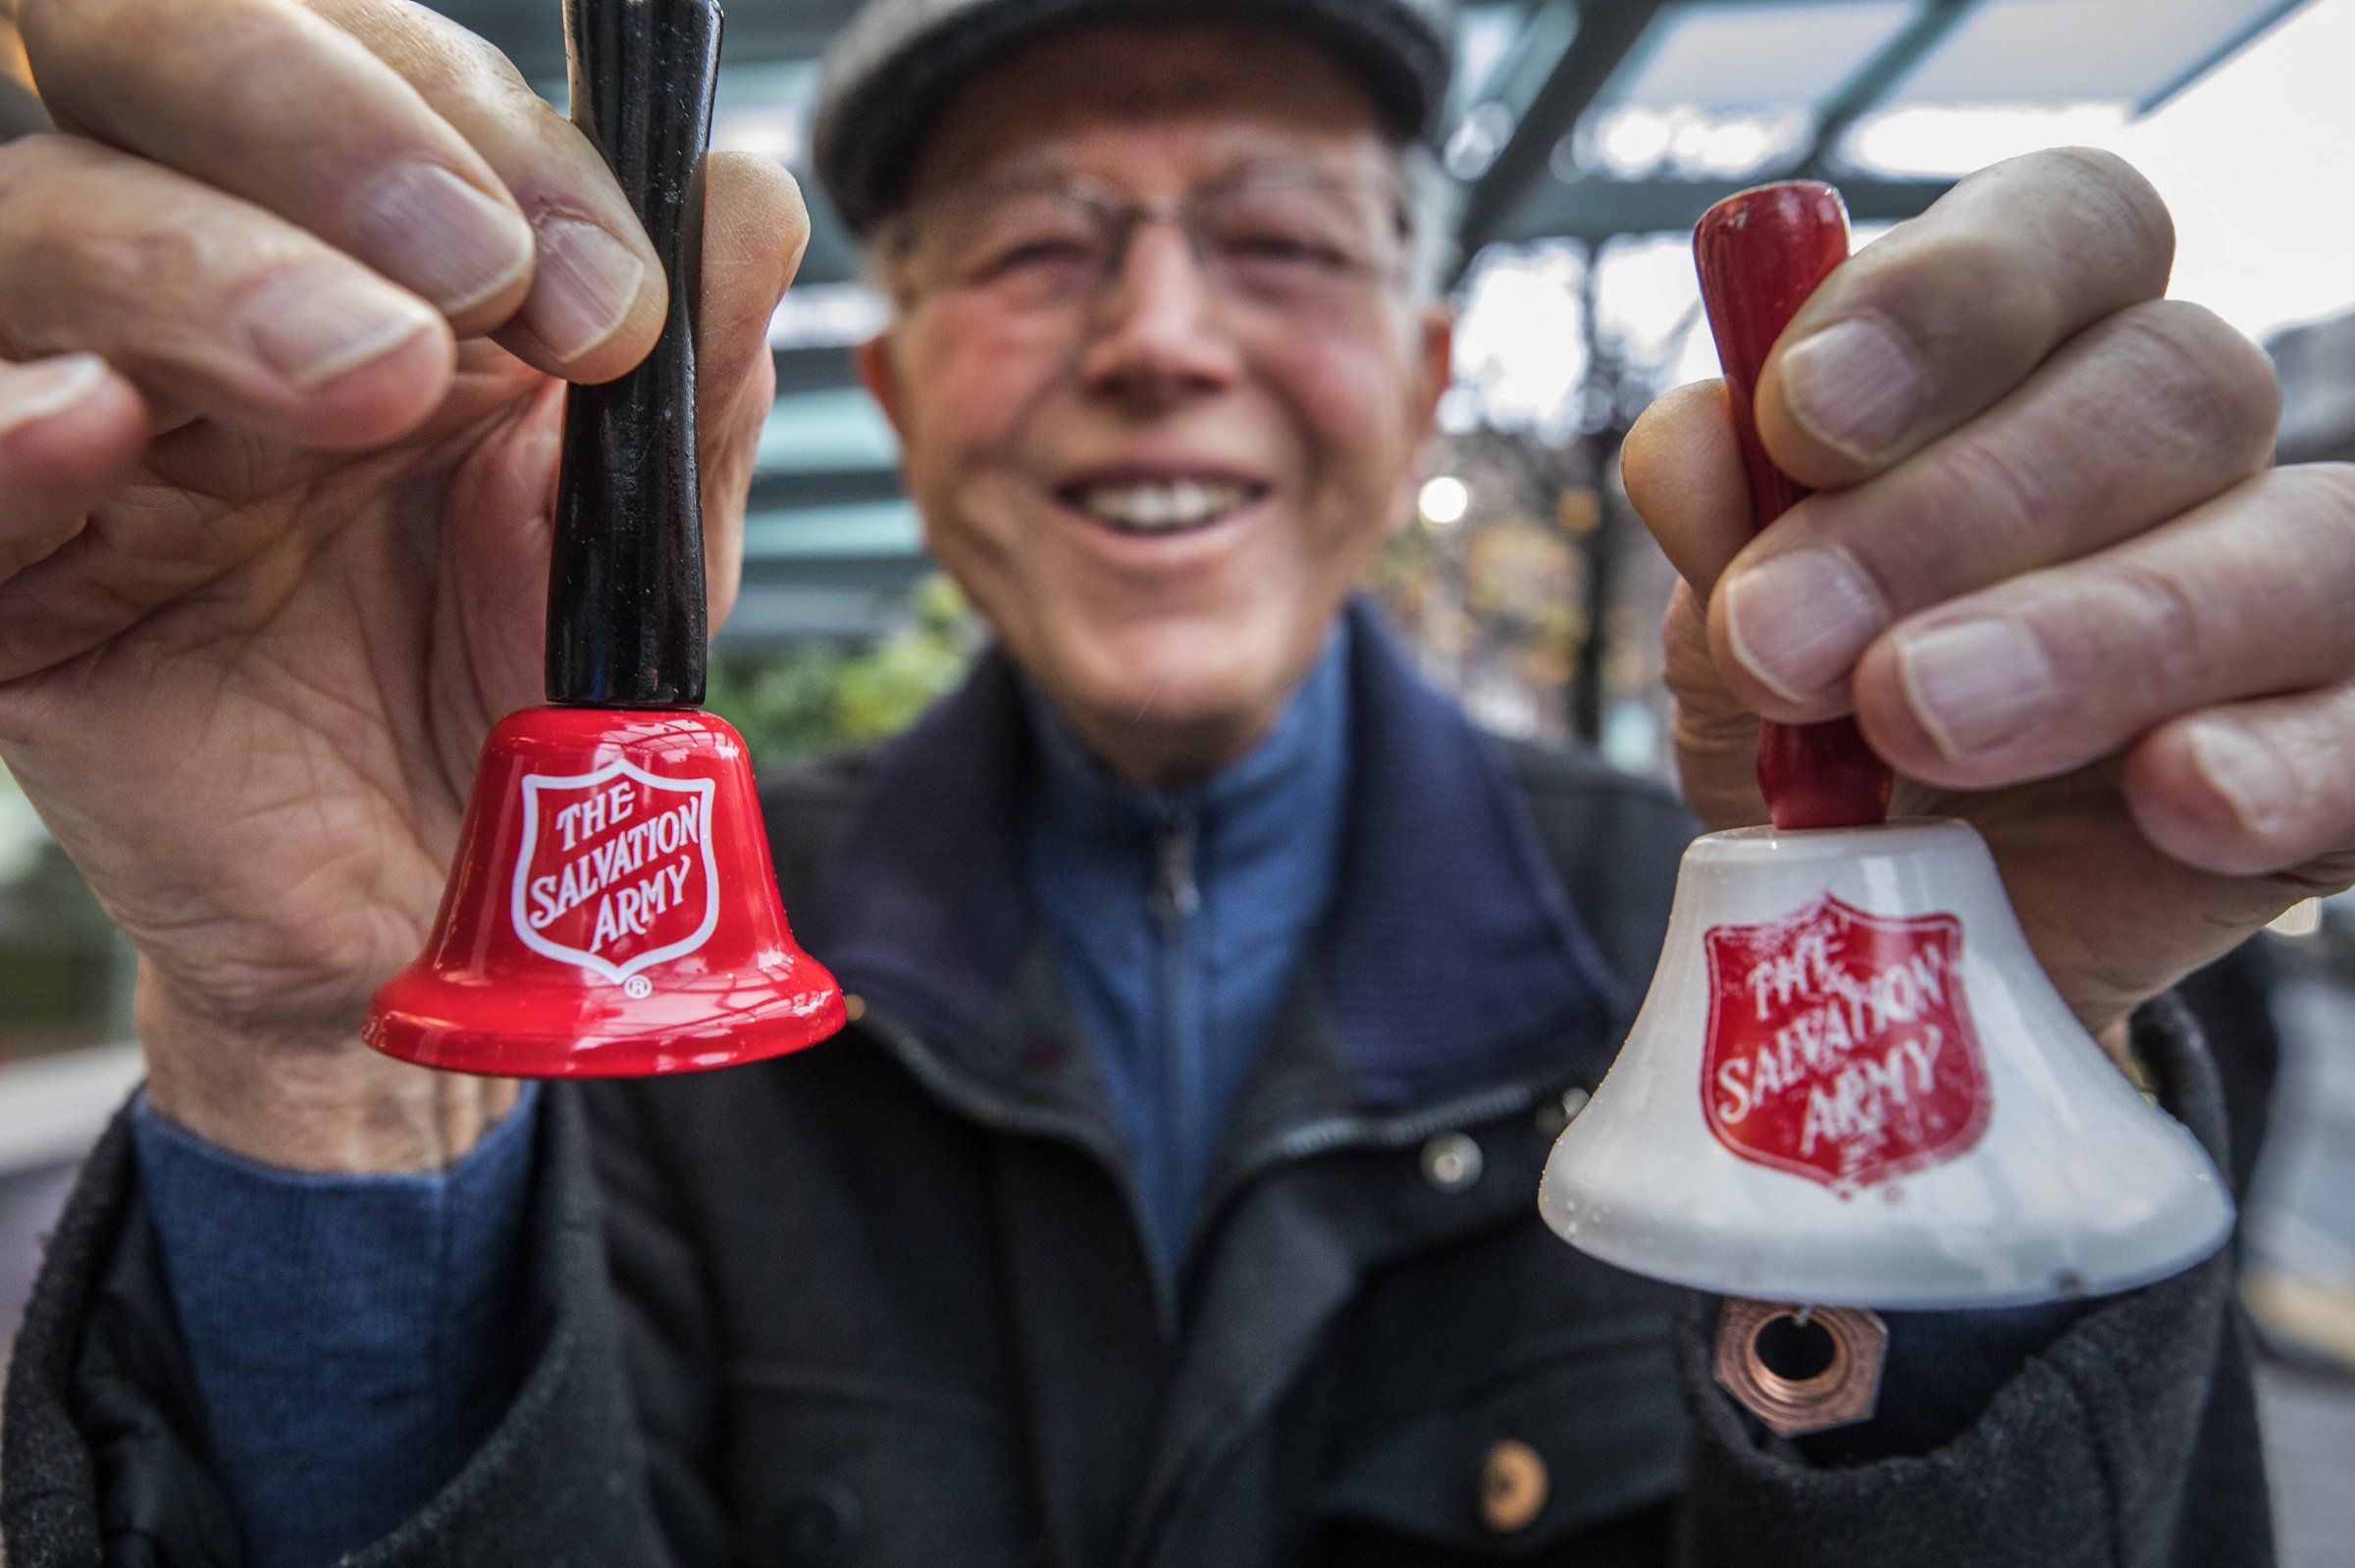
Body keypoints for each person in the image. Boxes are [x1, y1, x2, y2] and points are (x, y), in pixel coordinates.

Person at [0, 0, 2345, 1561]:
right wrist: (330, 1052)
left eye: (1277, 238)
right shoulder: (606, 989)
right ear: (903, 406)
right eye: (1041, 246)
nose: (1157, 340)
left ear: (1425, 384)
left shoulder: (1742, 933)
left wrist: (1953, 1088)